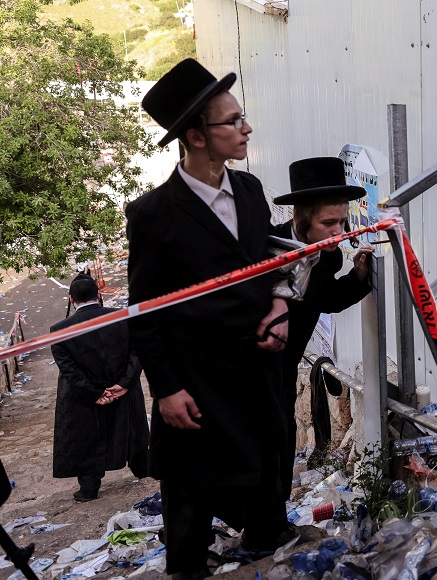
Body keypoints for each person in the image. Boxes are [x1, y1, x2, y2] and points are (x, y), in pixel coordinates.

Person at [128, 58, 292, 579]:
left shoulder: (249, 190)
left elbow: (271, 263)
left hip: (255, 365)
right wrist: (166, 389)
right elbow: (144, 314)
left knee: (266, 472)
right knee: (191, 489)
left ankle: (265, 554)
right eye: (233, 121)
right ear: (197, 137)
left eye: (242, 117)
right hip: (196, 378)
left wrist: (280, 306)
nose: (246, 129)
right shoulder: (154, 214)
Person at [272, 157, 372, 493]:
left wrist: (358, 277)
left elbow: (326, 300)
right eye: (328, 223)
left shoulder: (329, 256)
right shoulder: (265, 251)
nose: (338, 233)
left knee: (279, 448)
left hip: (283, 372)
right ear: (301, 217)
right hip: (242, 367)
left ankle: (273, 524)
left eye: (343, 222)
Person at [50, 274, 149, 502]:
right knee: (131, 430)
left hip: (85, 398)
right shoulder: (123, 317)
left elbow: (70, 370)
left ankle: (89, 490)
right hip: (123, 390)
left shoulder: (59, 330)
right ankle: (144, 471)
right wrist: (124, 384)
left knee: (87, 438)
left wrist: (95, 393)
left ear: (71, 299)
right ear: (99, 294)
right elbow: (138, 352)